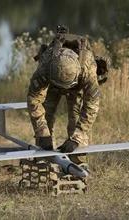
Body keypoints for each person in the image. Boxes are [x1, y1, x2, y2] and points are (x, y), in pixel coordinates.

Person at [27, 26, 100, 164]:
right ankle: (44, 162)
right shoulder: (46, 64)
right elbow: (34, 99)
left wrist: (77, 138)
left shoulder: (87, 68)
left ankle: (78, 163)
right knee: (46, 117)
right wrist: (42, 132)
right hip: (52, 84)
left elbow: (92, 105)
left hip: (76, 86)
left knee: (75, 118)